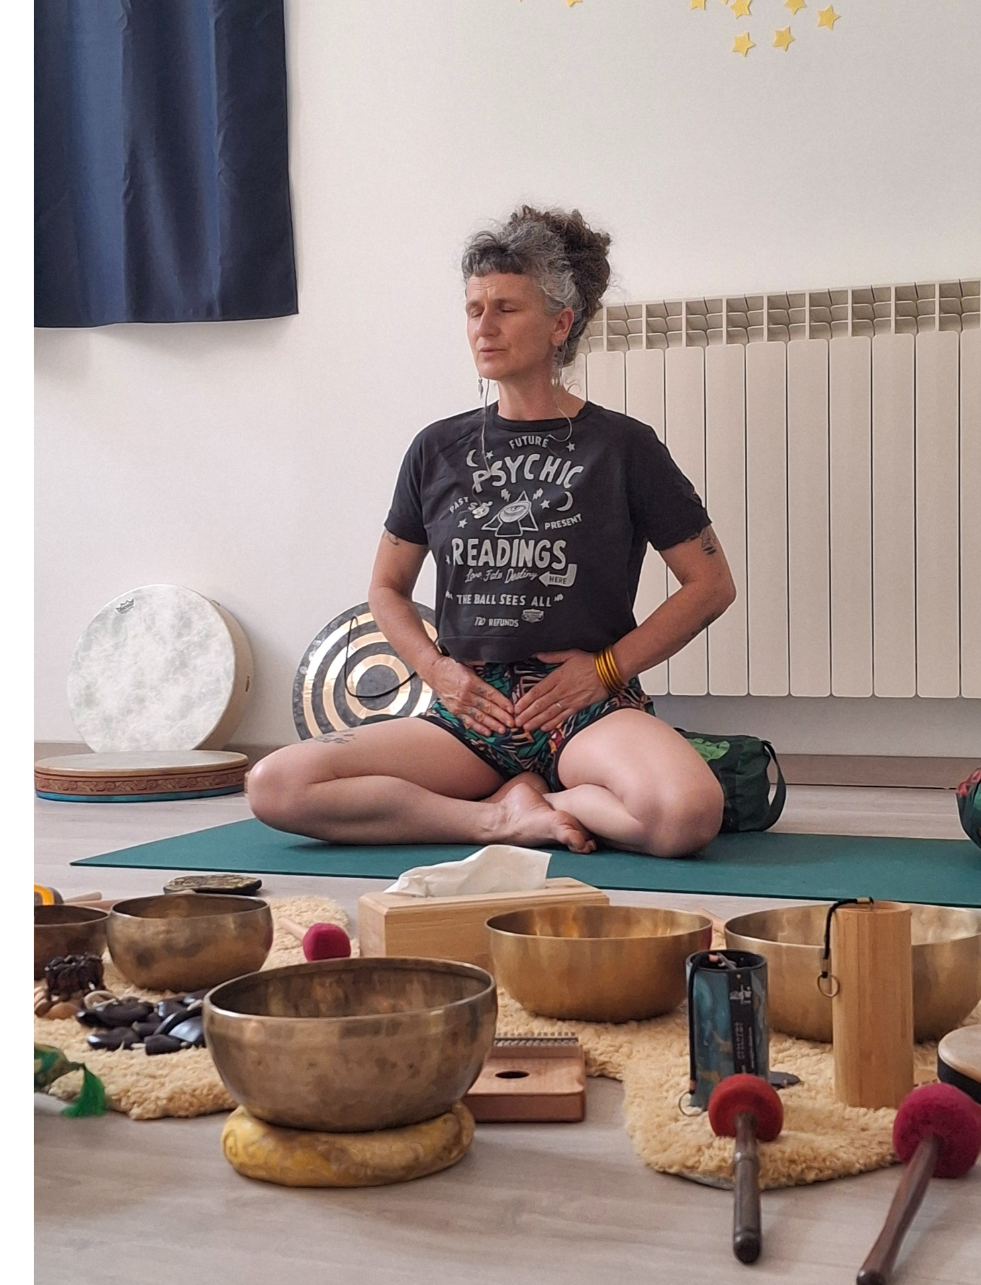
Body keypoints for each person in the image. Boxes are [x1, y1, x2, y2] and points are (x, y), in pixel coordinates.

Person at [248, 206, 736, 857]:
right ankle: (497, 819)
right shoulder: (436, 449)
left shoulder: (624, 447)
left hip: (585, 705)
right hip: (469, 713)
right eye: (474, 309)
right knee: (275, 785)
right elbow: (387, 590)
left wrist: (605, 670)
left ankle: (549, 798)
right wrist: (437, 673)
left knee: (687, 816)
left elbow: (710, 585)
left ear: (560, 324)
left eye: (506, 308)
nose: (484, 326)